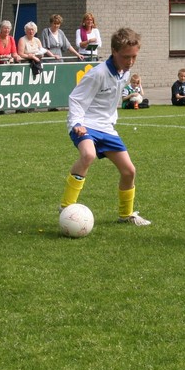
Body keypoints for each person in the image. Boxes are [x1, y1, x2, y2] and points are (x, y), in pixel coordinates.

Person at [61, 27, 151, 226]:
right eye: (126, 57)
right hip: (85, 124)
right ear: (114, 51)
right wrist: (77, 123)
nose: (131, 61)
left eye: (134, 57)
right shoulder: (98, 73)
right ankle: (66, 207)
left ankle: (126, 215)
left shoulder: (124, 73)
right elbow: (76, 99)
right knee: (88, 155)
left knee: (129, 171)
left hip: (106, 128)